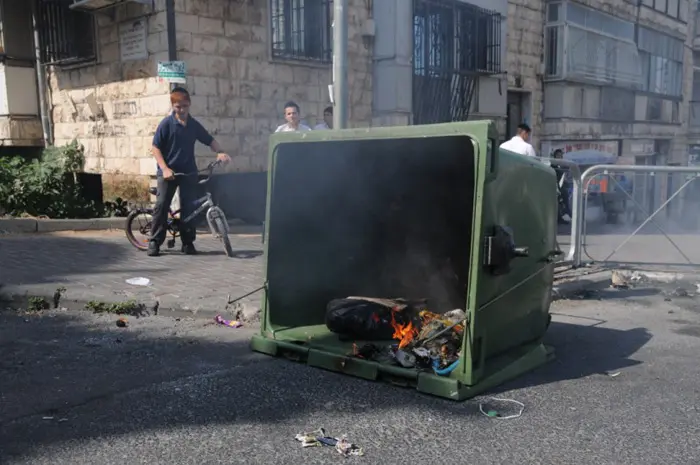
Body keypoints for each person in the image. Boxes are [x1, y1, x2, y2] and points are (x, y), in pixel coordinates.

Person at [149, 87, 231, 257]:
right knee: (162, 205)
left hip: (188, 172)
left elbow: (209, 140)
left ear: (189, 105)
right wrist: (164, 169)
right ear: (173, 106)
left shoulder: (193, 125)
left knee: (190, 208)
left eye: (185, 106)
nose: (182, 110)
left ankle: (188, 243)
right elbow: (155, 148)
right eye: (178, 107)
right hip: (168, 172)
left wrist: (220, 152)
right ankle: (154, 242)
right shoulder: (166, 124)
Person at [551, 149, 572, 224]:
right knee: (562, 199)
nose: (560, 157)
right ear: (555, 156)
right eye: (558, 155)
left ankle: (567, 214)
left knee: (565, 199)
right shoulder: (553, 165)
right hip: (555, 187)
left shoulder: (561, 165)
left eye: (561, 156)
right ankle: (568, 214)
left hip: (561, 186)